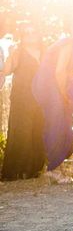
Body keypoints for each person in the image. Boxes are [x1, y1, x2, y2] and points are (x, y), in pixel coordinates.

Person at [32, 18, 73, 184]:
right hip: (52, 87)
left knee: (58, 125)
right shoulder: (68, 43)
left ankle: (54, 168)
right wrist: (64, 95)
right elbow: (59, 71)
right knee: (57, 126)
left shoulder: (64, 43)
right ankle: (54, 170)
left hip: (48, 86)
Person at [0, 25, 46, 181]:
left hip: (40, 98)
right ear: (22, 36)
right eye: (26, 33)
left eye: (33, 32)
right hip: (21, 98)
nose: (30, 35)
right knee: (22, 132)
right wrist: (11, 55)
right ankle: (17, 171)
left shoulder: (45, 52)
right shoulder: (18, 52)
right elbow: (6, 70)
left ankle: (34, 169)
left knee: (37, 131)